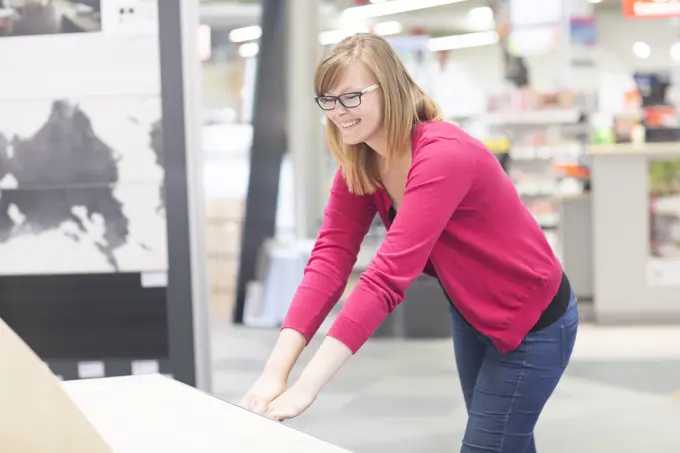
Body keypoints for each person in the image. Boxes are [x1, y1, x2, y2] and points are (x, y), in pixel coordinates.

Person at [240, 33, 579, 452]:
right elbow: (330, 260)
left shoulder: (442, 156)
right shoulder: (362, 159)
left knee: (488, 445)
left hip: (533, 319)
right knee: (505, 441)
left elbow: (385, 279)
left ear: (391, 89)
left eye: (351, 97)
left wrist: (308, 386)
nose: (338, 112)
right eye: (327, 100)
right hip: (472, 313)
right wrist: (276, 370)